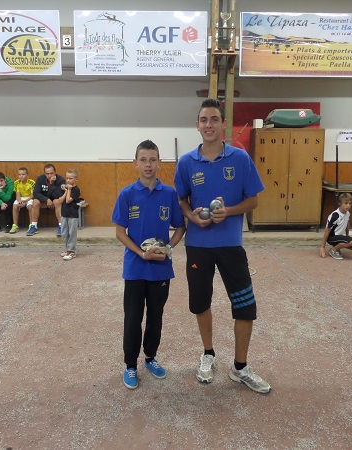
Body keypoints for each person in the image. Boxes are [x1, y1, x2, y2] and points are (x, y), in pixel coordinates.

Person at [174, 99, 271, 394]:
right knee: (201, 303)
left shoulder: (240, 159)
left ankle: (240, 367)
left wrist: (227, 212)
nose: (209, 125)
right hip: (198, 246)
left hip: (231, 246)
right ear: (197, 125)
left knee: (245, 306)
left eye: (214, 119)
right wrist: (192, 216)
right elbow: (181, 199)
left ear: (223, 124)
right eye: (204, 120)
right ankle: (208, 354)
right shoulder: (186, 162)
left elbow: (253, 200)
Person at [112, 139, 185, 390]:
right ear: (135, 163)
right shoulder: (127, 194)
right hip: (135, 267)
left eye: (153, 160)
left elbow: (180, 227)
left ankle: (150, 357)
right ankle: (130, 365)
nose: (148, 165)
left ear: (159, 163)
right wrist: (141, 254)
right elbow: (120, 232)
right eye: (143, 160)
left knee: (156, 316)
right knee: (133, 318)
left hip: (161, 269)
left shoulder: (169, 194)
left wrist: (168, 249)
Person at [320, 193, 352, 260]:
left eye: (350, 203)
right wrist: (323, 247)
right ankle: (333, 250)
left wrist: (347, 236)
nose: (348, 206)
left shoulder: (348, 213)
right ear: (340, 203)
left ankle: (337, 247)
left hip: (341, 236)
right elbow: (327, 230)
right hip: (332, 237)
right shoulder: (335, 215)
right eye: (346, 203)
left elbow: (347, 224)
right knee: (351, 241)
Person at [27, 164, 65, 236]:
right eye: (47, 174)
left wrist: (52, 183)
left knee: (57, 201)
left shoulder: (61, 180)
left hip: (54, 201)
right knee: (35, 201)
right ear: (44, 173)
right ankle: (34, 226)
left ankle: (61, 226)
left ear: (55, 172)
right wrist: (46, 199)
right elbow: (36, 193)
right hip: (44, 201)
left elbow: (58, 195)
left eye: (51, 173)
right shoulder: (40, 179)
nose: (49, 175)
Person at [58, 169, 81, 261]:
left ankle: (71, 251)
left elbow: (68, 200)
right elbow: (60, 201)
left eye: (70, 178)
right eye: (67, 178)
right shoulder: (66, 189)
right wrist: (66, 191)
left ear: (76, 179)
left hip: (72, 215)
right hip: (64, 214)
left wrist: (69, 190)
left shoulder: (76, 190)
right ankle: (68, 249)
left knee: (72, 233)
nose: (68, 180)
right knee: (64, 233)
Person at [10, 167, 36, 234]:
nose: (21, 176)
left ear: (27, 175)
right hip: (21, 198)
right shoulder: (16, 183)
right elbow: (17, 194)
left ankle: (31, 225)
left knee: (30, 206)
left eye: (23, 174)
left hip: (29, 198)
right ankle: (15, 225)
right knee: (15, 205)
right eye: (19, 174)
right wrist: (20, 201)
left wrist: (25, 201)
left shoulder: (32, 183)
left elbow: (32, 195)